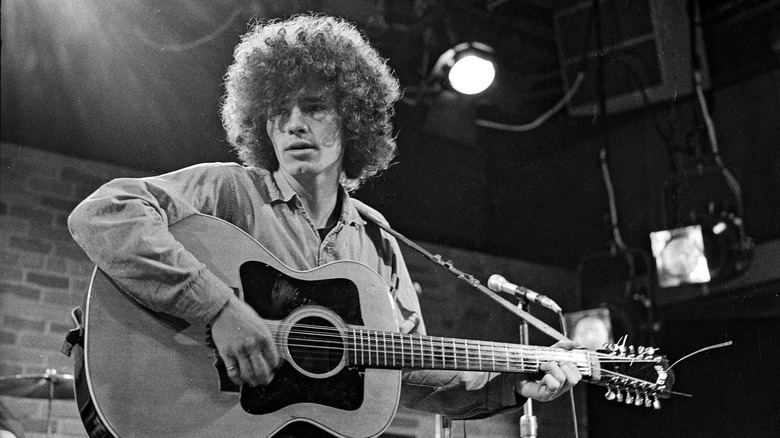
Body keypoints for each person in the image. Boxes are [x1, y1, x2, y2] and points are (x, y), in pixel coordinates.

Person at [68, 13, 581, 436]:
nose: (292, 123)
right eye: (277, 112)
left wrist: (511, 384)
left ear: (352, 119)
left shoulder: (378, 244)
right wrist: (219, 307)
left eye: (313, 108)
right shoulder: (228, 190)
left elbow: (406, 375)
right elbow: (103, 214)